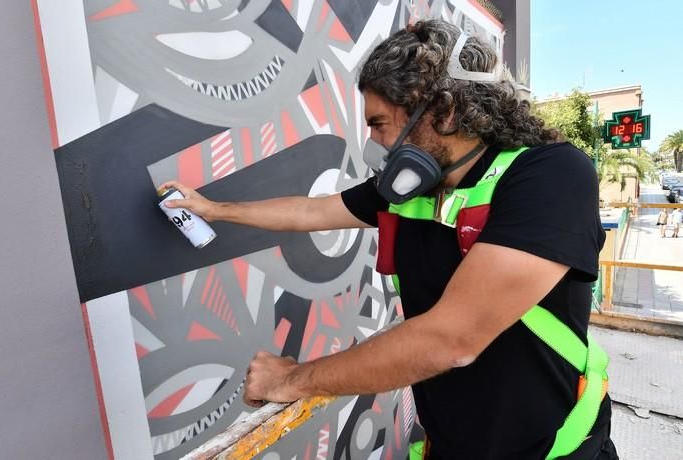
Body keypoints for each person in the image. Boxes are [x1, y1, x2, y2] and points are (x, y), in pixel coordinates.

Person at [160, 20, 617, 459]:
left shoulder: (550, 176)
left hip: (555, 452)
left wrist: (293, 380)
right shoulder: (412, 190)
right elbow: (309, 210)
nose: (378, 142)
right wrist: (214, 209)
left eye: (380, 123)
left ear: (443, 110)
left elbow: (451, 340)